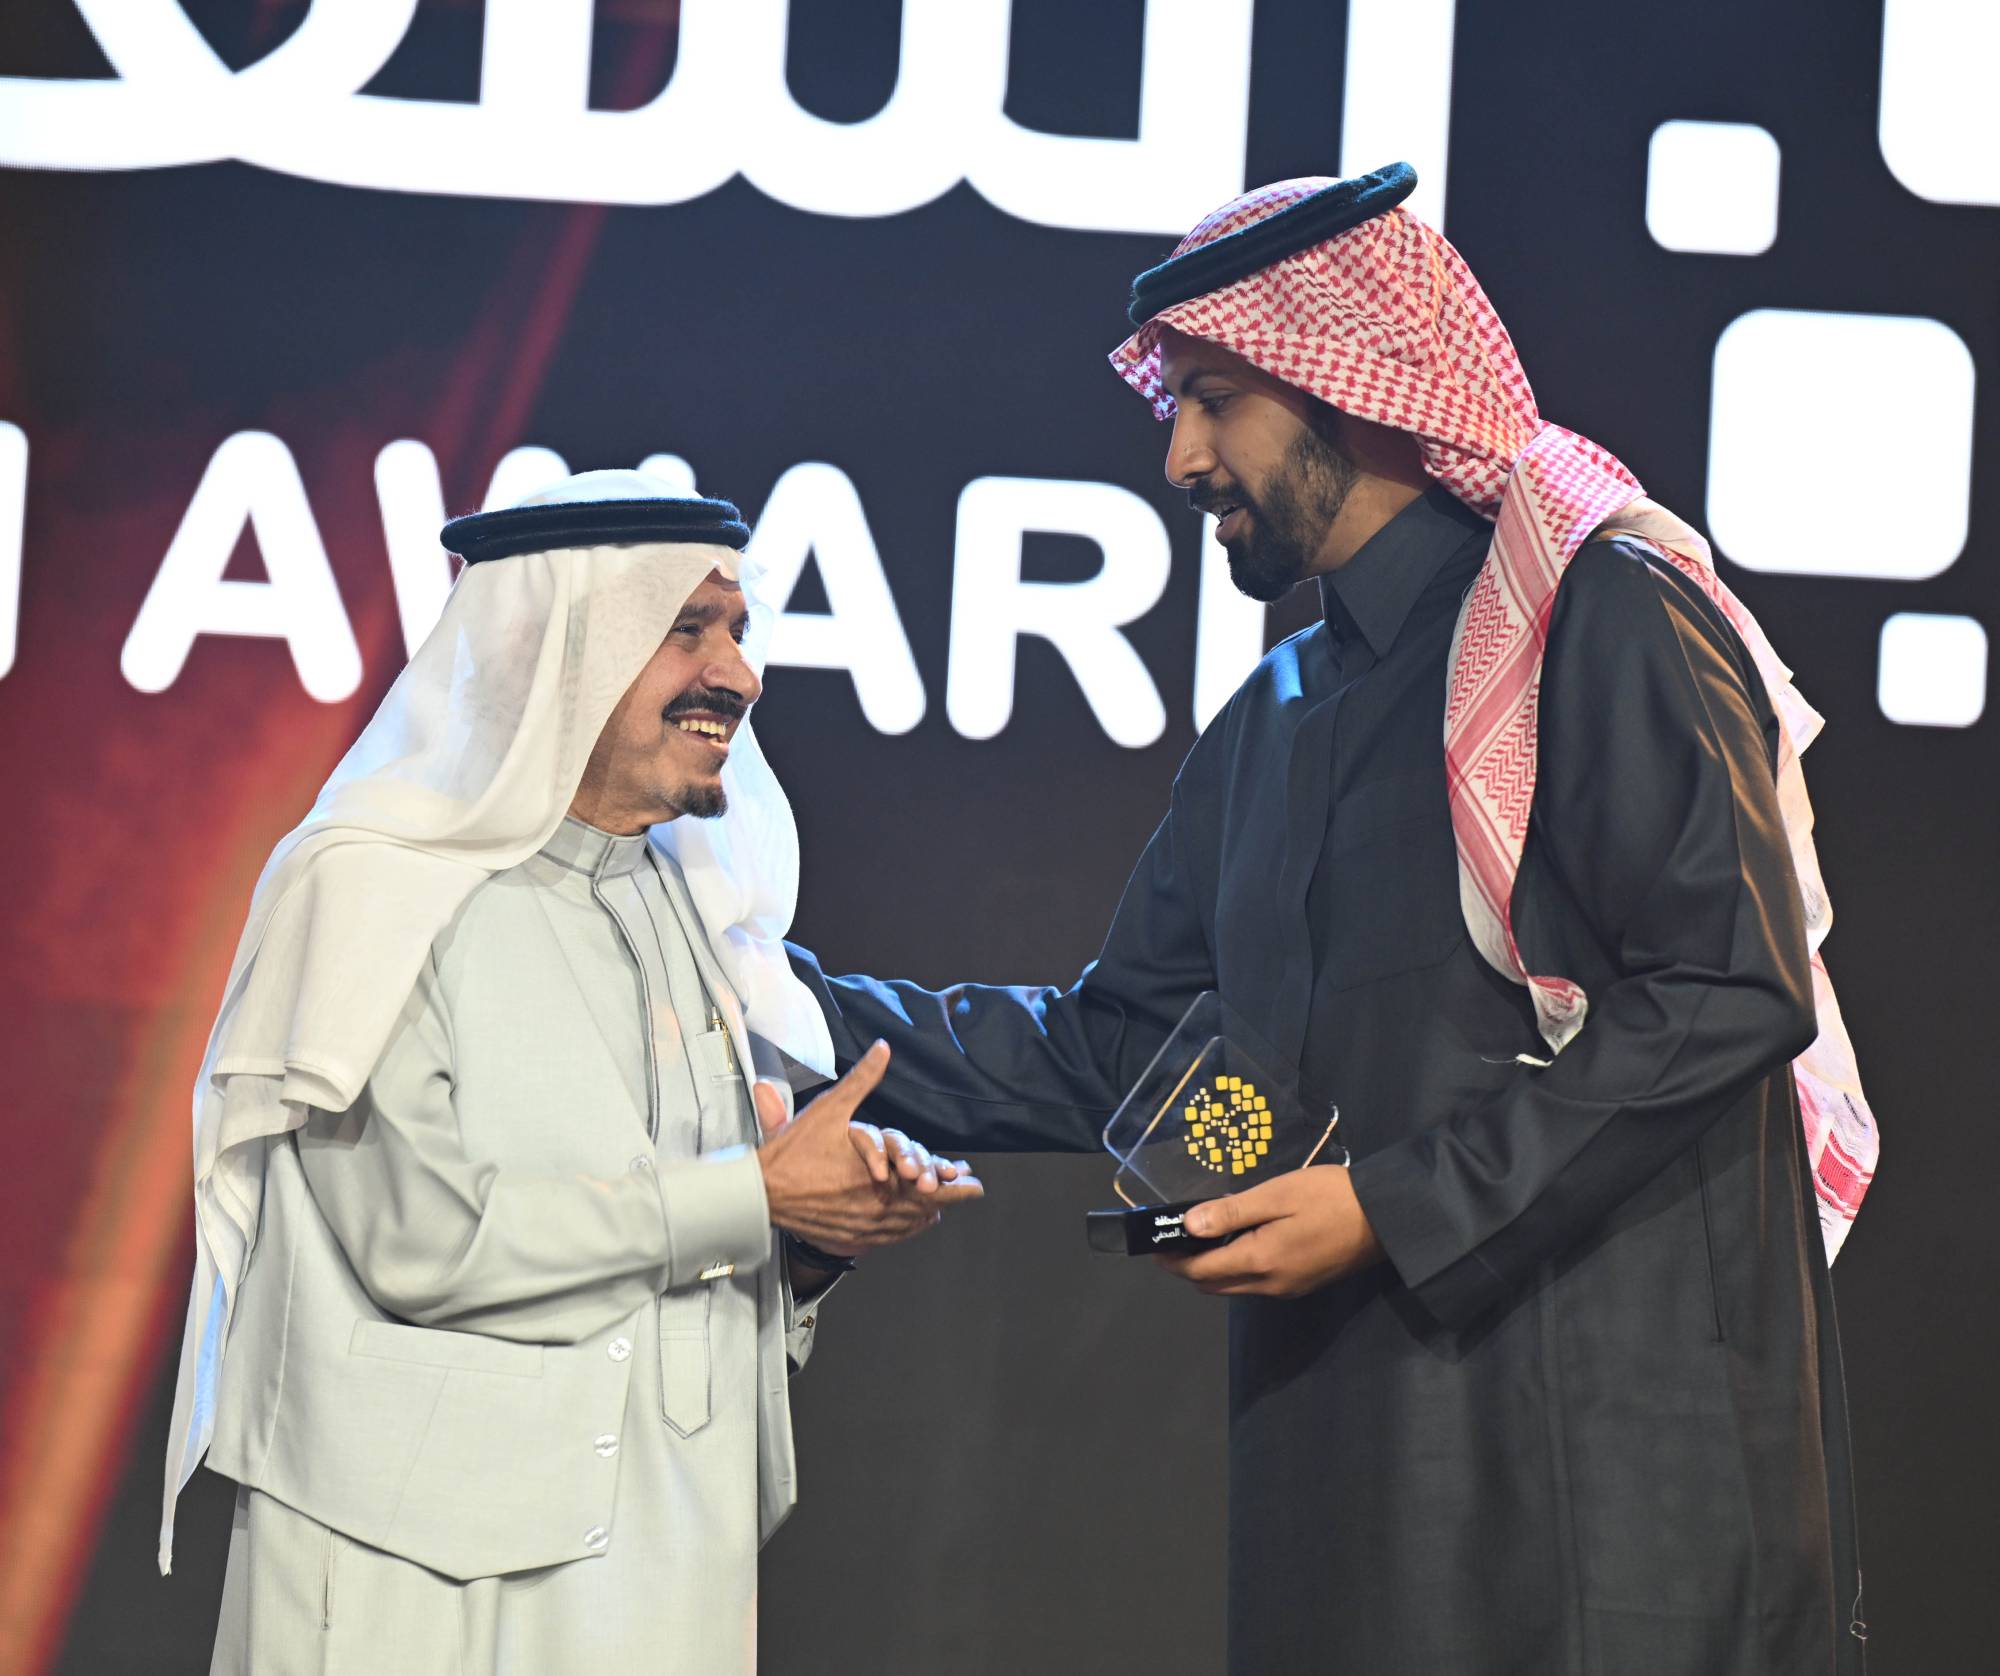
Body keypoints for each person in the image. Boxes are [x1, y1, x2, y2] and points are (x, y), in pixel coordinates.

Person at [788, 165, 1877, 1674]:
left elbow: (1724, 985)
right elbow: (1120, 1050)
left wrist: (1390, 1207)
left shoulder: (1599, 610)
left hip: (1620, 1477)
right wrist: (763, 1005)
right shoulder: (1277, 717)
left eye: (1214, 399)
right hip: (1350, 1475)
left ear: (1351, 390)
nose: (1178, 456)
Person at [158, 470, 982, 1675]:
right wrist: (751, 1193)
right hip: (418, 1588)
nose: (739, 674)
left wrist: (809, 1241)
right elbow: (424, 1244)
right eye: (686, 628)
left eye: (738, 630)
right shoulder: (378, 891)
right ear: (553, 651)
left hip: (661, 1569)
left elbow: (680, 1267)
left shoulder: (690, 905)